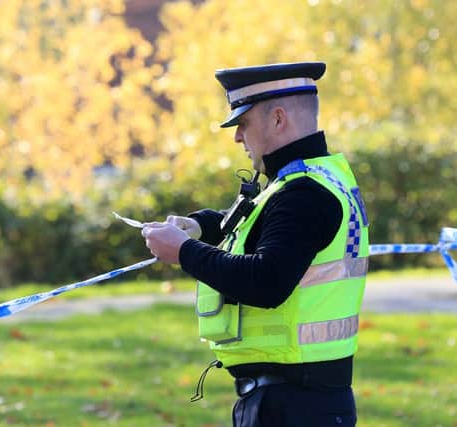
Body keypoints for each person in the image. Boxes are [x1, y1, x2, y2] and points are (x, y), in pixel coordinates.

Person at [142, 62, 369, 427]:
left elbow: (266, 280)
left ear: (278, 119)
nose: (236, 137)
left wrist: (184, 251)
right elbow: (259, 225)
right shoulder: (304, 180)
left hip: (295, 405)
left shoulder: (303, 193)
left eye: (242, 123)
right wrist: (199, 227)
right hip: (298, 399)